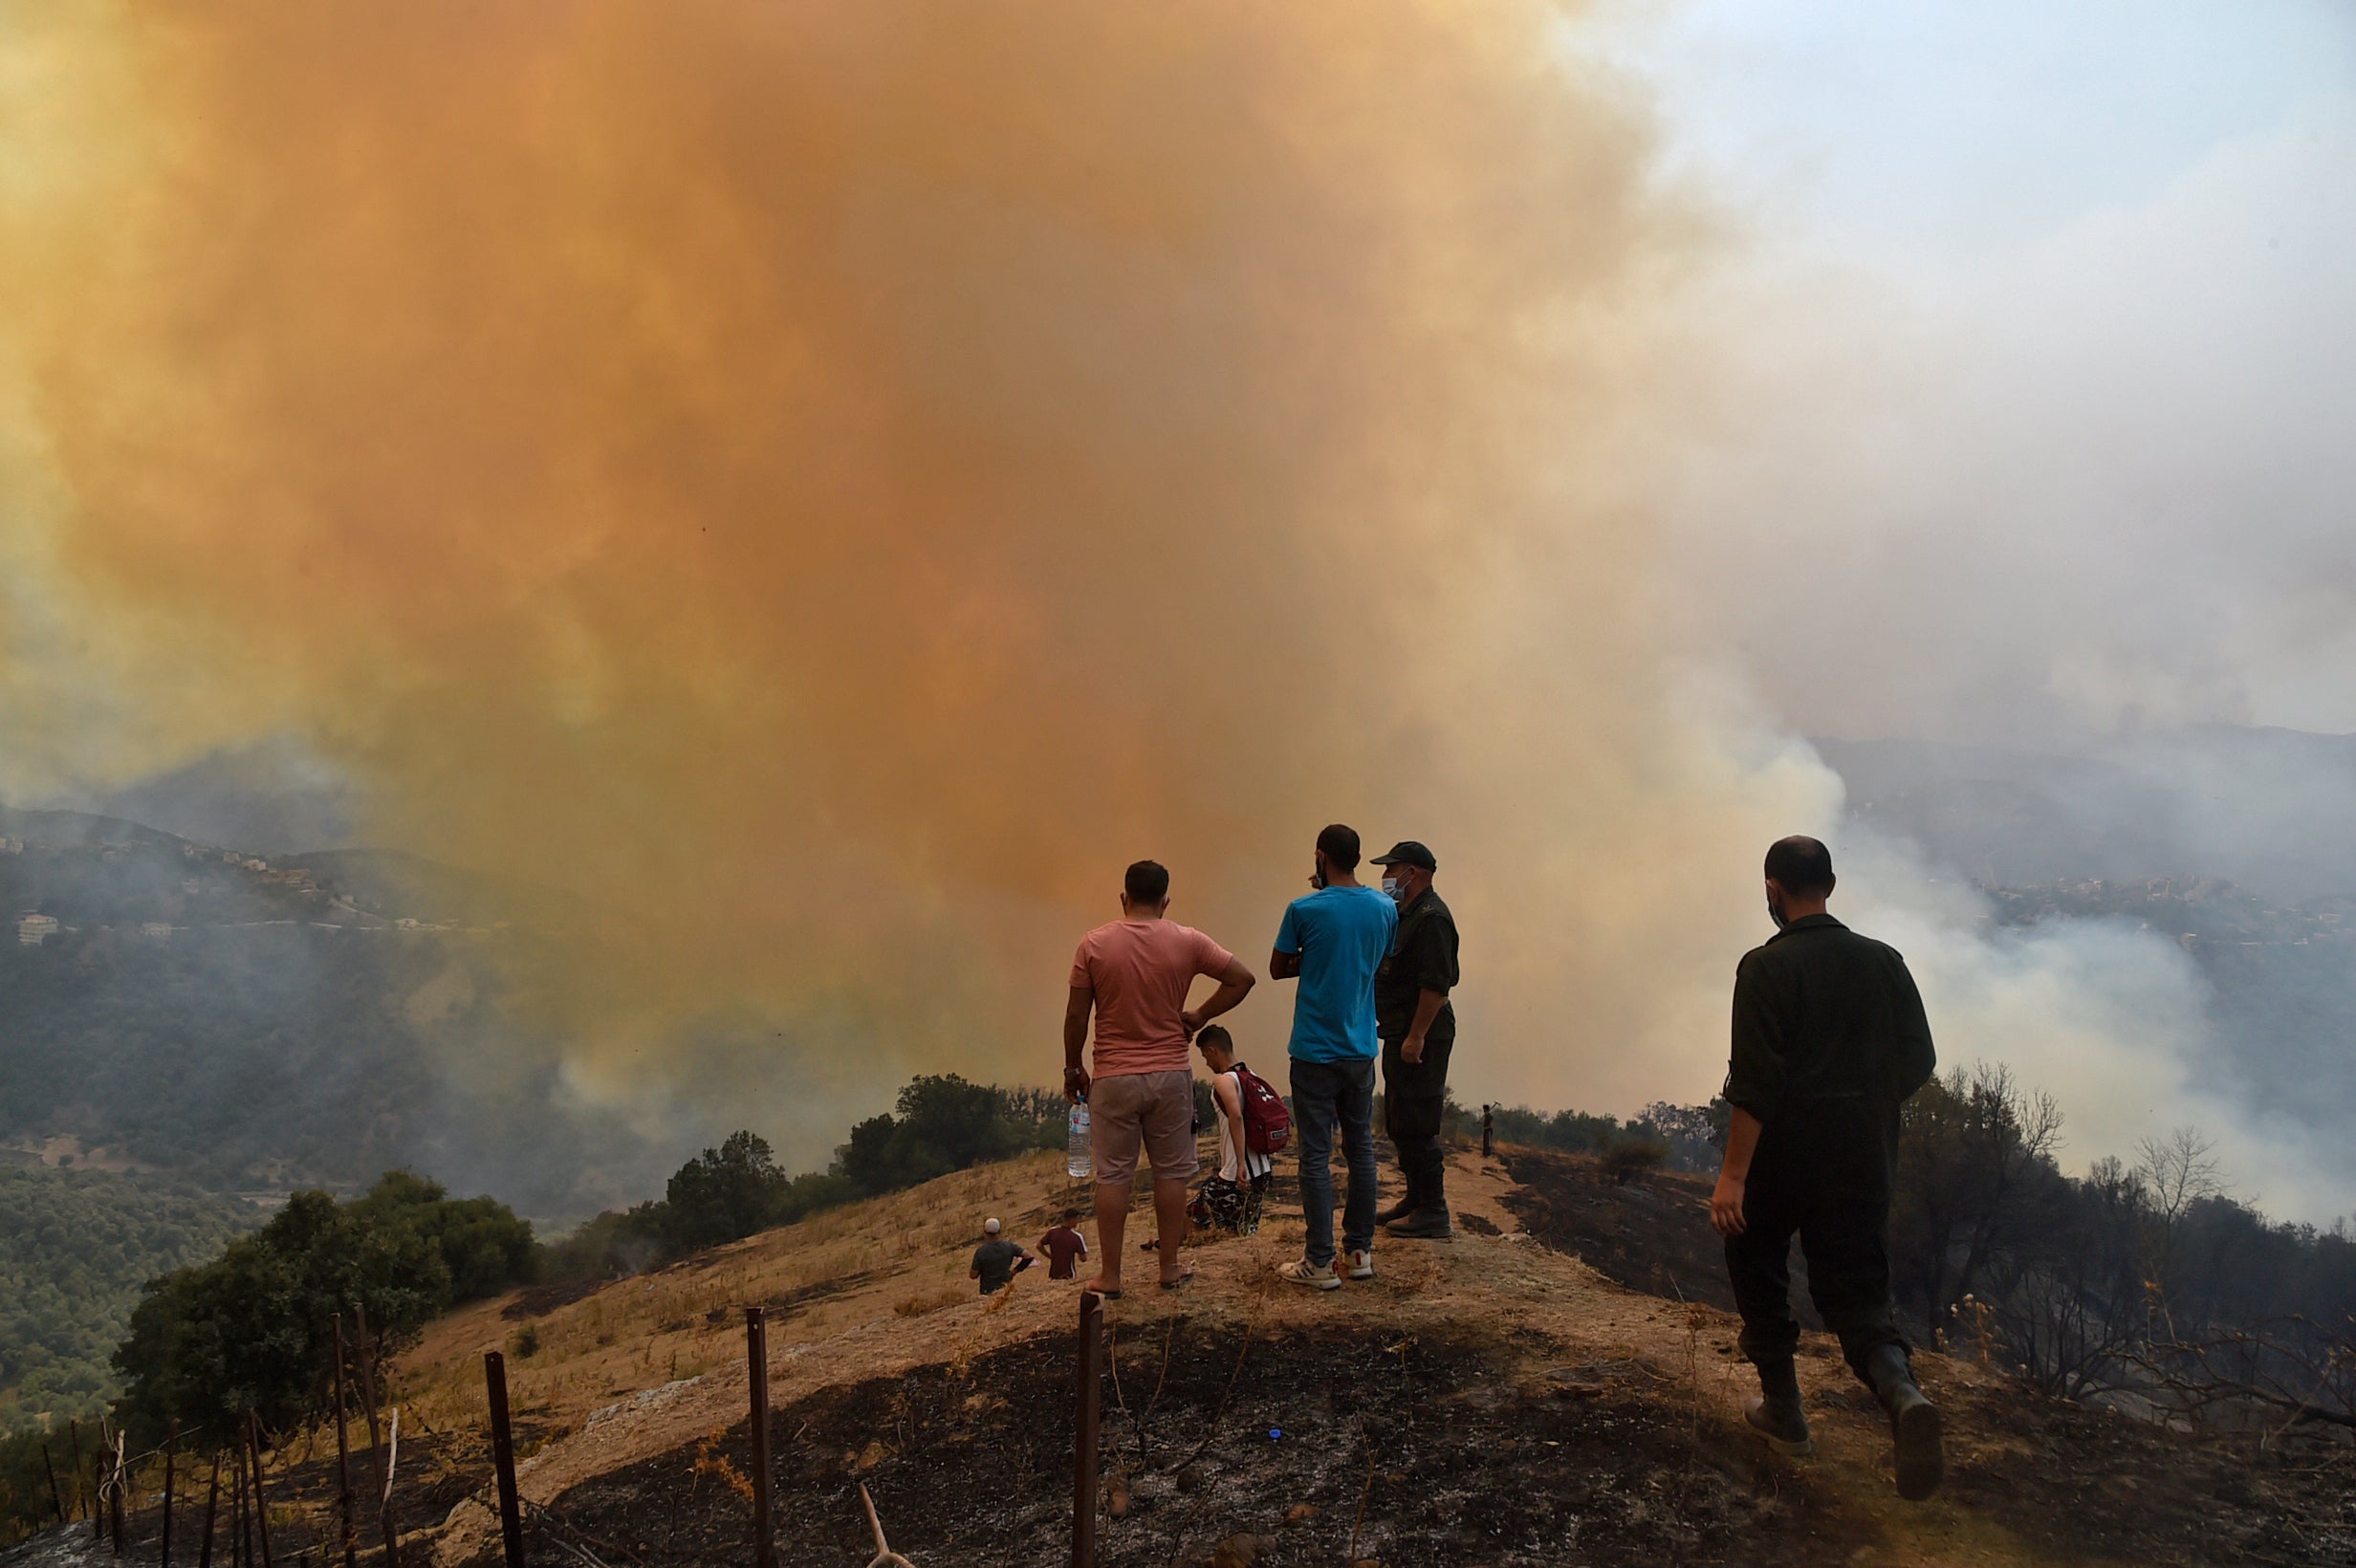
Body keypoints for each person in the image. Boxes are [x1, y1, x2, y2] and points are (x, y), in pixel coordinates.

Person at [1710, 835, 1943, 1500]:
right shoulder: (1884, 962)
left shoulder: (1764, 968)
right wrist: (1862, 1106)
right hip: (1862, 1159)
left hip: (1783, 1158)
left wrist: (1732, 1177)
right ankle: (1901, 1395)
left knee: (1755, 1262)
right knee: (1858, 1294)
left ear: (1772, 890)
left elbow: (1755, 1082)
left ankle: (1784, 1411)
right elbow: (1919, 1059)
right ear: (1831, 887)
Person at [1065, 859, 1257, 1296]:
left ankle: (1110, 1277)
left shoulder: (1093, 945)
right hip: (1171, 1074)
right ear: (1166, 901)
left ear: (1123, 897)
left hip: (1113, 1077)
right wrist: (1199, 1015)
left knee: (1113, 1177)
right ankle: (1168, 1269)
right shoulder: (1188, 941)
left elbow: (1077, 1014)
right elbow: (1242, 979)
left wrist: (1073, 1068)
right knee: (1171, 1175)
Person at [1270, 823, 1397, 1289]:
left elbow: (1278, 968)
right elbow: (1379, 959)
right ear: (1359, 859)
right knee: (1361, 1148)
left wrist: (1315, 957)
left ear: (1321, 856)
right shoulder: (1386, 908)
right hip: (1361, 1049)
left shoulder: (1303, 909)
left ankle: (1320, 1262)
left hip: (1313, 1052)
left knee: (1316, 1155)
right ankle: (1359, 1253)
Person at [1369, 840, 1460, 1241]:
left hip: (1422, 1032)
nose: (1387, 876)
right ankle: (1415, 1200)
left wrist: (1417, 1035)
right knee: (1401, 1120)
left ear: (1414, 873)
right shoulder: (1403, 913)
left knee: (1419, 1122)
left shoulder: (1432, 919)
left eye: (1393, 869)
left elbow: (1435, 986)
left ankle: (1433, 1211)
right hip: (1400, 1030)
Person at [1189, 1025, 1273, 1234]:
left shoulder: (1224, 1080)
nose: (1207, 1063)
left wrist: (1240, 1164)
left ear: (1212, 1051)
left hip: (1237, 1172)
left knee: (1193, 1211)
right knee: (1242, 1229)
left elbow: (1236, 1115)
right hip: (1262, 1170)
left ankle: (1170, 1247)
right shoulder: (1251, 1075)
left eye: (1205, 1056)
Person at [969, 1217, 1032, 1296]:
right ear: (999, 1231)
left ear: (984, 1232)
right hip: (1006, 1289)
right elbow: (1028, 1256)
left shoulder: (981, 1251)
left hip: (987, 1291)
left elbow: (973, 1275)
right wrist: (1014, 1271)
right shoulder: (1009, 1246)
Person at [1038, 1211, 1090, 1280]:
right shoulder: (1076, 1236)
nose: (1078, 1221)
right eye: (1077, 1219)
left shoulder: (1052, 1232)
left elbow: (1039, 1245)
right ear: (1072, 1219)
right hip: (1069, 1274)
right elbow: (1083, 1258)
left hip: (1054, 1274)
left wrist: (1051, 1257)